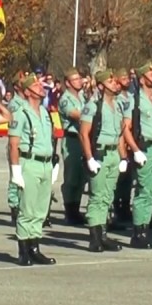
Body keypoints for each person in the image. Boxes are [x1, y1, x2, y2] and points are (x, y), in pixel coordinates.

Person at [8, 72, 58, 266]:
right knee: (27, 209)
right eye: (36, 86)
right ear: (28, 91)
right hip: (29, 163)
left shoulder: (45, 113)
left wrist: (54, 164)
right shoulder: (21, 114)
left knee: (40, 209)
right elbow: (14, 144)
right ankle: (24, 250)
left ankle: (35, 246)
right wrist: (16, 171)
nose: (41, 88)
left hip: (45, 163)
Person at [121, 62, 152, 249]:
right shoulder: (134, 101)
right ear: (142, 80)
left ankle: (145, 229)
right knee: (143, 192)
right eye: (151, 74)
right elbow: (126, 129)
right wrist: (135, 151)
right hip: (145, 148)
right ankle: (138, 233)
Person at [80, 70, 128, 252]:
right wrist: (89, 158)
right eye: (110, 81)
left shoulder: (118, 106)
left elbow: (121, 134)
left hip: (113, 153)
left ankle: (103, 234)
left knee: (108, 196)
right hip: (99, 154)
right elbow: (84, 134)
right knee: (97, 196)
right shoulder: (93, 106)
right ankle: (94, 238)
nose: (115, 83)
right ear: (101, 86)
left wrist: (123, 157)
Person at [57, 69, 89, 226]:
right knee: (72, 177)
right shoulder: (65, 99)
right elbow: (77, 115)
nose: (79, 81)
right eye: (75, 79)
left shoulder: (83, 95)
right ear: (68, 83)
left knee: (82, 176)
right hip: (72, 140)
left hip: (84, 140)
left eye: (79, 78)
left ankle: (76, 208)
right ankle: (70, 211)